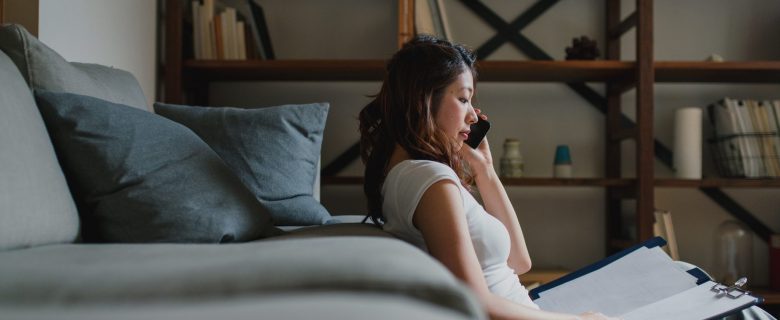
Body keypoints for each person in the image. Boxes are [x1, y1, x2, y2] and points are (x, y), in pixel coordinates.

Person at [358, 34, 617, 320]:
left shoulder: (413, 175)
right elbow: (475, 301)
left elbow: (519, 263)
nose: (472, 116)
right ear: (424, 99)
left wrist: (485, 170)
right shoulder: (431, 180)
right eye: (463, 99)